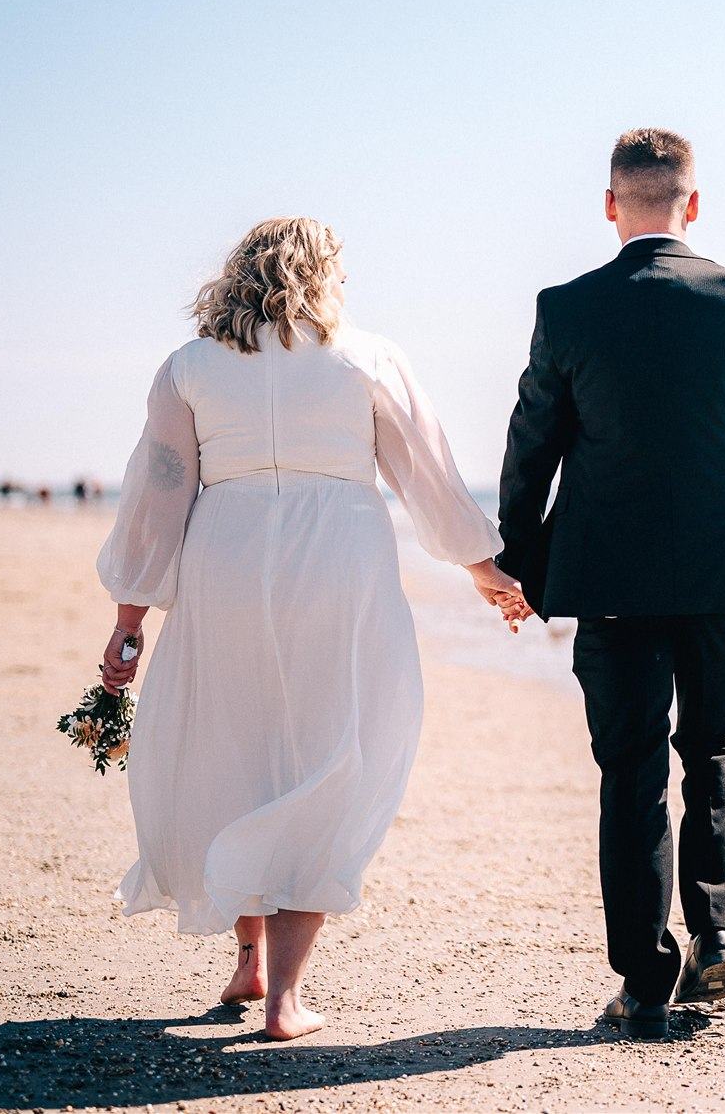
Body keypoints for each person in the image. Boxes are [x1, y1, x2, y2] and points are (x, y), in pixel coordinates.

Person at [95, 217, 528, 1041]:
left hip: (224, 556)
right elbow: (425, 474)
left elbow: (157, 491)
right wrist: (484, 568)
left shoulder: (189, 367)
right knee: (334, 750)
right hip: (339, 562)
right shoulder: (367, 357)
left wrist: (129, 617)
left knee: (237, 745)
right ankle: (283, 997)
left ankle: (248, 960)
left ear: (237, 275)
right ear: (326, 274)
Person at [497, 128, 725, 1041]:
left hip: (610, 580)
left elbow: (532, 444)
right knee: (717, 743)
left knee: (632, 773)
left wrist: (516, 566)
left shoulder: (568, 308)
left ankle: (645, 983)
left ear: (612, 206)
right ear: (692, 206)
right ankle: (717, 928)